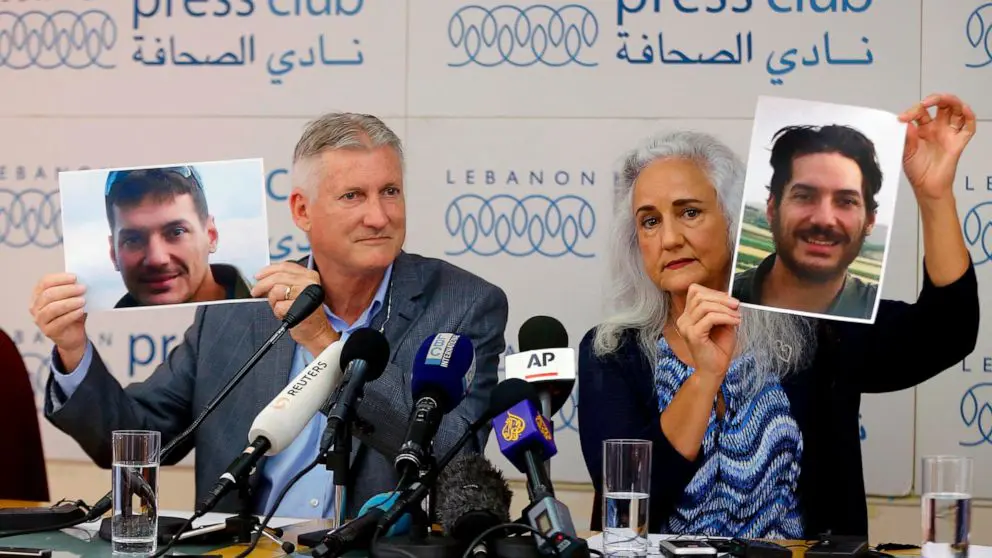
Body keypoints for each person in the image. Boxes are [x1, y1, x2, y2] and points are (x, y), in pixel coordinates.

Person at [29, 113, 509, 519]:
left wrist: (325, 341)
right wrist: (74, 352)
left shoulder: (463, 304)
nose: (379, 217)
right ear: (302, 210)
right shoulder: (241, 312)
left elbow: (452, 457)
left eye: (390, 192)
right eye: (352, 196)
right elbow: (135, 442)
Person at [577, 93, 979, 538]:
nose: (669, 238)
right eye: (649, 221)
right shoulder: (612, 349)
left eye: (689, 212)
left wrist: (934, 194)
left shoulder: (809, 322)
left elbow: (947, 332)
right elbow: (628, 498)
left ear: (733, 217)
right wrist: (704, 376)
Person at [732, 124, 884, 320]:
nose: (824, 220)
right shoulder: (722, 299)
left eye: (846, 201)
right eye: (804, 196)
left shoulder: (884, 316)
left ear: (869, 221)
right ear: (772, 209)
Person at [103, 165, 252, 308]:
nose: (157, 259)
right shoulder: (92, 330)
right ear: (113, 254)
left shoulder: (270, 313)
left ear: (211, 236)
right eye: (133, 240)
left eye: (176, 232)